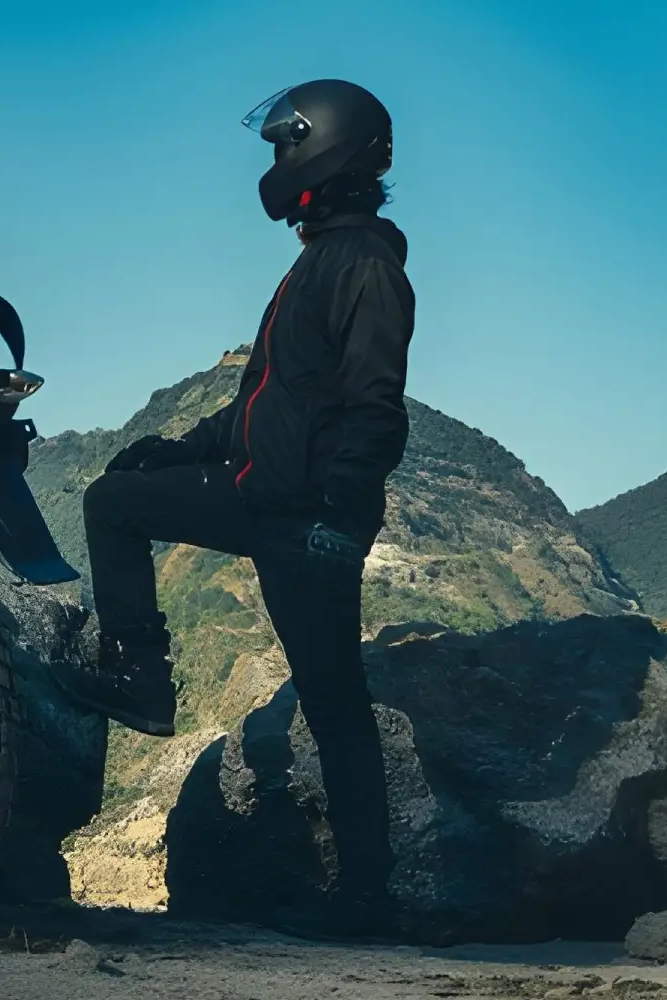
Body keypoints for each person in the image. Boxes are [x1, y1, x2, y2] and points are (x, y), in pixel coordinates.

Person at [54, 79, 415, 929]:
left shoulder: (363, 263)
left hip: (307, 519)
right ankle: (143, 681)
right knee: (117, 500)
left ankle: (368, 901)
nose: (278, 160)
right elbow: (261, 408)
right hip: (263, 498)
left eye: (286, 144)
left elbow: (376, 405)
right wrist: (178, 449)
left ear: (323, 148)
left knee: (335, 706)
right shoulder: (319, 260)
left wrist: (340, 516)